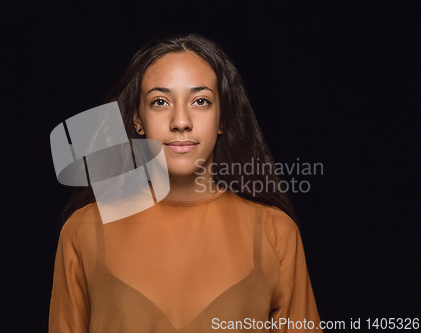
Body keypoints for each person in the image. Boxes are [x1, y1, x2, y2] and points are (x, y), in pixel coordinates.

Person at [49, 33, 322, 332]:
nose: (181, 121)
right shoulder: (83, 230)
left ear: (223, 118)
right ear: (137, 119)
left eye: (201, 101)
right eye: (160, 101)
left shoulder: (276, 233)